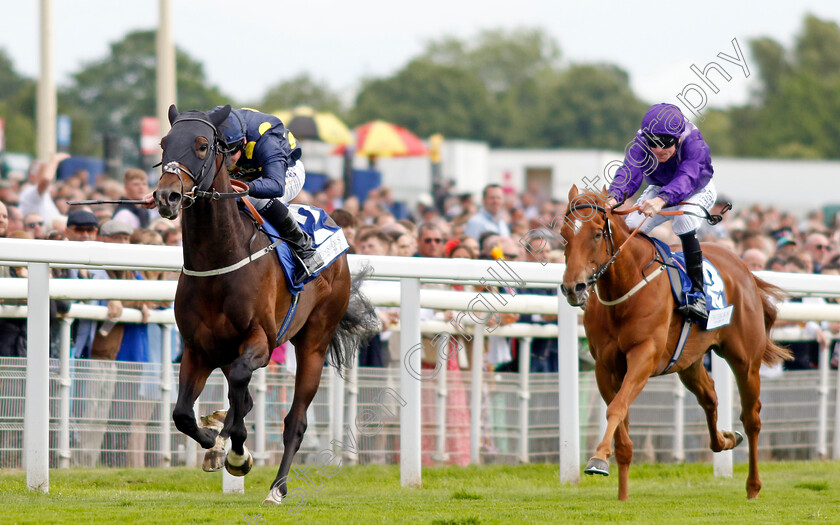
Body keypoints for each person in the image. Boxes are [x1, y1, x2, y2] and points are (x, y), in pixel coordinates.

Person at [606, 103, 717, 324]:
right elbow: (630, 170)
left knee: (684, 220)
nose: (658, 151)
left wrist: (662, 200)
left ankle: (698, 295)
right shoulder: (642, 141)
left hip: (697, 189)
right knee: (630, 227)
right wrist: (613, 198)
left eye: (665, 145)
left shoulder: (694, 142)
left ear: (678, 139)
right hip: (660, 188)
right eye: (653, 145)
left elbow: (688, 176)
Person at [213, 106, 322, 284]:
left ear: (243, 141)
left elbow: (275, 185)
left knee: (257, 197)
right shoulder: (209, 130)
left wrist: (246, 187)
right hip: (248, 174)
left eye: (230, 155)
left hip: (284, 172)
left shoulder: (267, 138)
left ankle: (305, 250)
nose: (225, 162)